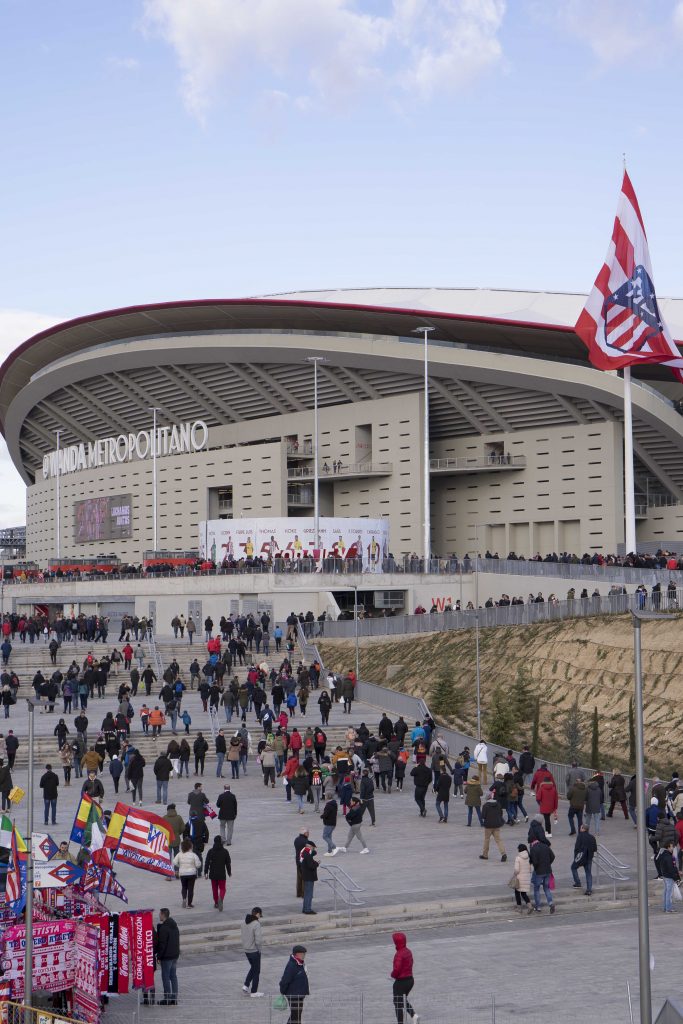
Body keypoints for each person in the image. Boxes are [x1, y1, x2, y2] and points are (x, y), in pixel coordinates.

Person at [391, 932, 419, 1024]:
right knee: (402, 1000)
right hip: (410, 980)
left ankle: (400, 1022)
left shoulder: (399, 954)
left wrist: (393, 975)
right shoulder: (408, 951)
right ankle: (413, 1015)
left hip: (401, 982)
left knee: (398, 1003)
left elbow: (397, 969)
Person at [279, 945, 309, 1024]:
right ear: (297, 954)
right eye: (303, 954)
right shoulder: (291, 966)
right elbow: (284, 981)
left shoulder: (299, 963)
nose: (304, 956)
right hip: (293, 995)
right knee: (295, 1016)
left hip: (299, 994)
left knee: (296, 1015)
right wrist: (283, 991)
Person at [156, 908, 180, 1005]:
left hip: (166, 957)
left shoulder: (164, 928)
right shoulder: (174, 926)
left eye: (160, 914)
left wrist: (159, 957)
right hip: (175, 955)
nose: (159, 916)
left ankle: (167, 998)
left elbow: (162, 944)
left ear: (163, 915)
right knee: (173, 976)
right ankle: (174, 998)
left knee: (165, 977)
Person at [204, 834, 232, 911]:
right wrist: (229, 872)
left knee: (214, 889)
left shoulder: (210, 851)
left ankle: (216, 903)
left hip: (212, 874)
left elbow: (207, 863)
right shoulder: (225, 851)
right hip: (222, 874)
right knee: (222, 889)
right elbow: (228, 863)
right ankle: (221, 898)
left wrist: (205, 872)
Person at [241, 907, 264, 998]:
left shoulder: (243, 923)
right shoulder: (256, 924)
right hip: (254, 950)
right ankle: (254, 991)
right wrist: (259, 950)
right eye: (260, 915)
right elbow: (258, 940)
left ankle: (246, 985)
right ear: (257, 914)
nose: (260, 917)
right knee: (257, 971)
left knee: (253, 968)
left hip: (246, 950)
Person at [529, 837, 555, 913]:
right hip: (548, 871)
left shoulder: (533, 849)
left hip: (539, 872)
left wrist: (536, 868)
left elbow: (534, 862)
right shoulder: (545, 846)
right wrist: (548, 864)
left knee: (536, 889)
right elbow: (553, 856)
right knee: (546, 887)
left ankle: (538, 907)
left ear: (532, 843)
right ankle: (550, 903)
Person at [173, 838, 201, 908]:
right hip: (192, 873)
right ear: (190, 846)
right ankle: (189, 904)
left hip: (183, 873)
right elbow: (198, 865)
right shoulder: (193, 855)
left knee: (184, 887)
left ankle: (184, 898)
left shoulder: (179, 854)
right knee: (191, 889)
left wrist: (180, 866)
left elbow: (174, 862)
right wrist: (194, 866)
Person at [479, 793, 507, 862]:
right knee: (498, 840)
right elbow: (501, 813)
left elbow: (483, 816)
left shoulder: (485, 806)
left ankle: (485, 855)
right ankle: (503, 854)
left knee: (487, 839)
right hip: (497, 824)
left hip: (488, 826)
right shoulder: (498, 804)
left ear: (487, 798)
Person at [571, 823, 597, 896]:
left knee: (573, 868)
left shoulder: (580, 836)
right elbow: (595, 849)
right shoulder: (592, 837)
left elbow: (577, 847)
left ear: (583, 829)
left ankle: (578, 883)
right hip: (589, 858)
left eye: (581, 827)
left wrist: (576, 857)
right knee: (588, 873)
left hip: (580, 857)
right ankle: (589, 890)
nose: (580, 828)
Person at [657, 841, 681, 913]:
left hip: (665, 875)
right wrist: (676, 878)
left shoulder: (663, 855)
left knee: (666, 892)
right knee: (669, 893)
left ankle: (665, 907)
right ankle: (668, 909)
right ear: (668, 847)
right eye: (671, 847)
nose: (673, 848)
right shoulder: (668, 857)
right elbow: (671, 868)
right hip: (669, 876)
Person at [298, 835, 319, 914]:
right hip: (309, 877)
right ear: (310, 847)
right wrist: (317, 863)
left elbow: (313, 854)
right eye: (313, 847)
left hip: (305, 876)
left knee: (307, 893)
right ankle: (307, 909)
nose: (313, 849)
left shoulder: (304, 852)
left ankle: (305, 908)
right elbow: (311, 866)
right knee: (309, 894)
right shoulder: (307, 855)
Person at [512, 843, 533, 913]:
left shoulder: (518, 858)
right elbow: (530, 869)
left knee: (517, 892)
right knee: (523, 893)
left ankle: (519, 908)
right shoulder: (529, 857)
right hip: (526, 878)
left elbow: (516, 870)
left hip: (519, 878)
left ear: (519, 849)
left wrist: (514, 874)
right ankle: (530, 906)